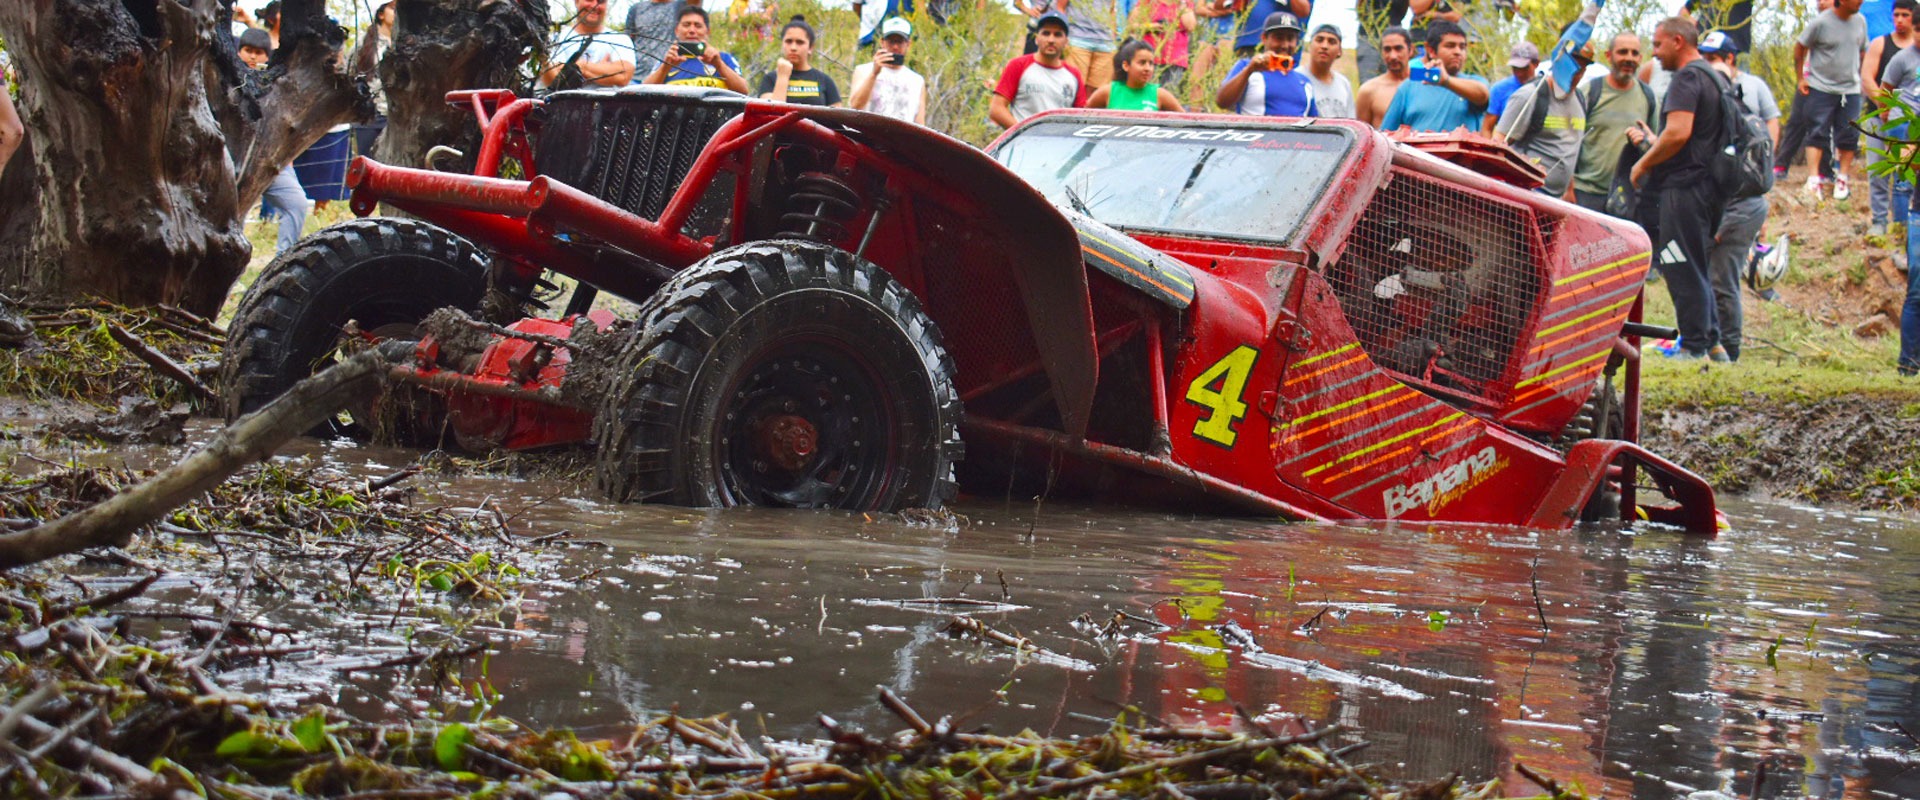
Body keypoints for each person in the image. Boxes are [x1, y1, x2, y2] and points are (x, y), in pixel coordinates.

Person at [1631, 16, 1726, 361]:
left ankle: (1695, 344)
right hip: (1708, 188)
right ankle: (1713, 343)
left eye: (1657, 44)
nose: (1654, 53)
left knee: (1678, 262)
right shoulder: (1714, 76)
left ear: (1677, 41)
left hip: (1684, 187)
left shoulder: (1687, 77)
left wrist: (1643, 162)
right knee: (1696, 263)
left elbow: (1678, 132)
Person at [1699, 30, 1778, 363]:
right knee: (1709, 276)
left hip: (1741, 205)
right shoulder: (1713, 101)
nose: (1705, 65)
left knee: (1722, 279)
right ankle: (1708, 343)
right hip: (1729, 203)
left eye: (1712, 58)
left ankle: (1728, 349)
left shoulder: (1744, 95)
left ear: (1730, 60)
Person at [240, 28, 310, 254]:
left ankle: (283, 262)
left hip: (272, 160)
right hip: (236, 163)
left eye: (259, 52)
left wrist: (287, 156)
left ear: (267, 57)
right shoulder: (227, 81)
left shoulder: (275, 84)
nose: (252, 57)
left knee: (297, 204)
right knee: (234, 219)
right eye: (247, 50)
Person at [1571, 32, 1658, 214]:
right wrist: (1568, 188)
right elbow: (1568, 143)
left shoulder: (1648, 97)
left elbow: (1656, 146)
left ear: (1641, 58)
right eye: (1623, 52)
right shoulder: (1589, 92)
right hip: (1585, 194)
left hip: (1626, 197)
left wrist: (1646, 144)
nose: (1629, 58)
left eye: (1634, 53)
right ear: (1609, 56)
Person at [1793, 0, 1868, 199]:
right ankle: (1813, 179)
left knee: (1849, 134)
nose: (1861, 1)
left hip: (1850, 89)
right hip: (1821, 86)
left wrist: (1859, 75)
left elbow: (1863, 50)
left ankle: (1842, 178)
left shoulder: (1861, 21)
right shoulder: (1820, 23)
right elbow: (1800, 47)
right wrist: (1801, 78)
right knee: (1817, 132)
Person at [1493, 50, 1588, 197]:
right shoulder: (1529, 96)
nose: (1575, 74)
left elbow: (1569, 147)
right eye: (1571, 67)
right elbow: (1498, 143)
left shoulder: (1580, 99)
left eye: (1580, 69)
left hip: (1558, 197)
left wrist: (1569, 190)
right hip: (1525, 192)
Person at [1863, 0, 1916, 235]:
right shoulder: (1880, 43)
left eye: (1905, 15)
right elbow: (1867, 79)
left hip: (1909, 122)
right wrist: (1885, 109)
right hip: (1878, 116)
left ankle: (1903, 226)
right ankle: (1880, 221)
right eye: (1896, 15)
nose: (1900, 20)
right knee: (1878, 171)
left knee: (1905, 176)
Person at [1378, 21, 1488, 132]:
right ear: (1431, 50)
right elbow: (1386, 134)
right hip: (1416, 149)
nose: (1457, 52)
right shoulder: (1408, 87)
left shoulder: (1474, 82)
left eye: (1462, 47)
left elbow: (1483, 96)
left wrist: (1446, 81)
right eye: (1450, 46)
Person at [990, 11, 1088, 128]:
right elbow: (996, 109)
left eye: (1057, 34)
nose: (1051, 39)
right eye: (1046, 33)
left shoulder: (1074, 75)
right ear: (1036, 38)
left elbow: (1081, 118)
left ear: (1066, 41)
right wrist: (1022, 132)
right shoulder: (1018, 65)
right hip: (1022, 143)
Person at [1216, 12, 1320, 117]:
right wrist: (1249, 70)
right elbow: (1222, 102)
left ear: (1296, 42)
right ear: (1264, 38)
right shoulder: (1246, 66)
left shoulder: (1304, 82)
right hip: (1258, 132)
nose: (1284, 45)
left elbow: (1314, 123)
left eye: (1290, 38)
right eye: (1279, 38)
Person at [640, 6, 751, 93]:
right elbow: (643, 93)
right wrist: (665, 67)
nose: (692, 30)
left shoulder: (724, 58)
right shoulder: (666, 61)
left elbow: (744, 90)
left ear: (708, 32)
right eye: (686, 25)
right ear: (676, 30)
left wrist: (719, 65)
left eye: (698, 26)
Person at [849, 17, 928, 124]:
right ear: (883, 42)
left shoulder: (917, 81)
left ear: (908, 44)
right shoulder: (863, 71)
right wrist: (874, 74)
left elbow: (920, 122)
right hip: (868, 135)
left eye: (899, 42)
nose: (895, 47)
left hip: (901, 138)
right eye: (891, 41)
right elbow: (855, 107)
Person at [540, 0, 635, 88]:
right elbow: (554, 81)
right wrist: (603, 70)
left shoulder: (620, 39)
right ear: (576, 2)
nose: (594, 5)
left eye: (601, 1)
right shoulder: (556, 39)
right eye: (589, 0)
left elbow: (623, 76)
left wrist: (580, 66)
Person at [758, 17, 840, 105]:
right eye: (788, 41)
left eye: (800, 42)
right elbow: (769, 114)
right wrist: (782, 77)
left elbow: (838, 116)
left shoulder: (825, 80)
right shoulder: (770, 79)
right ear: (782, 44)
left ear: (810, 48)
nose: (793, 48)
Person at [349, 2, 393, 159]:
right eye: (393, 9)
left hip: (396, 116)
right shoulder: (364, 44)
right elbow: (350, 75)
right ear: (381, 14)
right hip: (370, 116)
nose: (396, 13)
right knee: (367, 165)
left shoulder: (403, 43)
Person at [1088, 40, 1186, 109]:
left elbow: (1185, 122)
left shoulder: (1160, 94)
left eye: (1151, 63)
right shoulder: (1108, 92)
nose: (1148, 68)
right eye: (1142, 63)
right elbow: (1084, 118)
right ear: (1126, 66)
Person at [1127, 0, 1195, 90]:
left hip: (1175, 58)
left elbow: (1190, 26)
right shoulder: (1148, 2)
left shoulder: (1185, 3)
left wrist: (1183, 3)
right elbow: (1132, 26)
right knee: (1145, 94)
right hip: (1149, 57)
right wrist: (1151, 26)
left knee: (1168, 94)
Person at [1355, 26, 1413, 127]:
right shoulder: (1369, 90)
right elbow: (1363, 135)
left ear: (1410, 50)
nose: (1393, 56)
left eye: (1398, 49)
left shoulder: (1424, 84)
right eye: (1387, 50)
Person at [1057, 0, 1119, 89]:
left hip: (1106, 43)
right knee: (1074, 87)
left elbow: (1112, 10)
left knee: (1098, 92)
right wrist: (1064, 34)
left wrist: (1113, 39)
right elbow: (1060, 7)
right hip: (1077, 39)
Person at [1482, 41, 1539, 136]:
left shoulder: (1545, 87)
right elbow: (1487, 128)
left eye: (1524, 68)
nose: (1519, 73)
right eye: (1515, 68)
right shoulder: (1499, 89)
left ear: (1536, 64)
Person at [629, 0, 699, 76]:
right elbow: (628, 41)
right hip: (637, 75)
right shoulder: (636, 9)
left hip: (668, 75)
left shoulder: (681, 5)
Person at [1304, 24, 1355, 118]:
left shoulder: (1344, 84)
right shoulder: (1298, 78)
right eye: (1319, 40)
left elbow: (1351, 122)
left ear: (1339, 51)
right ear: (1309, 46)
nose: (1324, 46)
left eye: (1332, 42)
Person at [1356, 0, 1409, 81]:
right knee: (1368, 79)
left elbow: (1402, 9)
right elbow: (1360, 9)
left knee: (1395, 80)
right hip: (1369, 35)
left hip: (1394, 35)